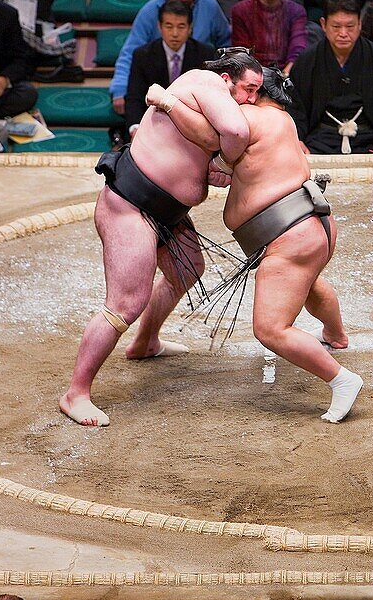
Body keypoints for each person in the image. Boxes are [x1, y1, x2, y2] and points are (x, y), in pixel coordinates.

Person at [57, 53, 264, 427]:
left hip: (169, 213)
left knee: (187, 271)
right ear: (227, 77)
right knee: (124, 304)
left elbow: (207, 150)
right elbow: (236, 133)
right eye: (248, 89)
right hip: (132, 206)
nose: (250, 99)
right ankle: (76, 393)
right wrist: (229, 161)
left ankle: (145, 343)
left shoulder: (204, 106)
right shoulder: (206, 82)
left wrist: (218, 164)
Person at [148, 67, 362, 423]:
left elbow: (206, 135)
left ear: (259, 93)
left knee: (270, 328)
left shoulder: (247, 117)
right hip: (314, 225)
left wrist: (168, 102)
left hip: (289, 234)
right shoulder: (283, 121)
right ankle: (335, 335)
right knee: (307, 283)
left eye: (249, 91)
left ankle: (341, 380)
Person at [109, 0, 232, 117]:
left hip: (197, 88)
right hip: (156, 83)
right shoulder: (150, 10)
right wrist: (120, 88)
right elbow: (130, 52)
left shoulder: (210, 6)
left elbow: (226, 45)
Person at [288, 0, 373, 155]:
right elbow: (297, 107)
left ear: (360, 24)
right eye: (336, 27)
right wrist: (298, 140)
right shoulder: (307, 61)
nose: (343, 33)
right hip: (321, 138)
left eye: (350, 26)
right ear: (323, 25)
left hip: (368, 138)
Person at [125, 0, 217, 136]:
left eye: (181, 27)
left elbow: (211, 97)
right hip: (152, 124)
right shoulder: (143, 55)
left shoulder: (206, 54)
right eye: (169, 26)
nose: (175, 33)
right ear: (159, 27)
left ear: (190, 28)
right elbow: (135, 98)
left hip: (191, 126)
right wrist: (135, 129)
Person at [230, 0, 308, 73]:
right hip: (251, 73)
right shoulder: (241, 10)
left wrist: (285, 75)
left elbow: (298, 47)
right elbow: (241, 52)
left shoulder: (296, 11)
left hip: (287, 74)